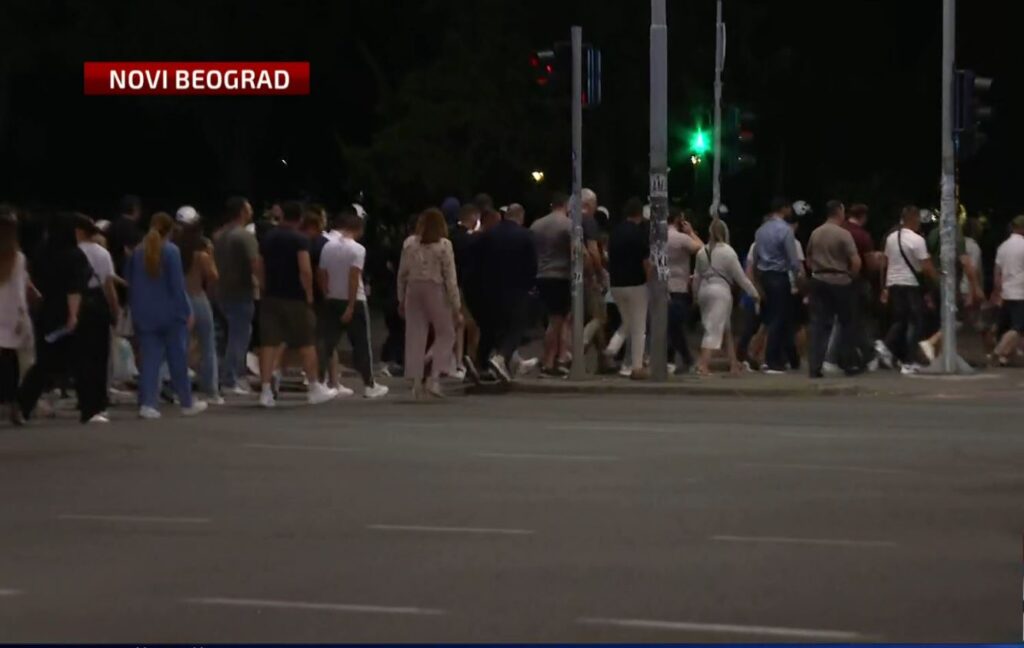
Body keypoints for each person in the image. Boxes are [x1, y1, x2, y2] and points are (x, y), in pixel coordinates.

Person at [123, 212, 207, 419]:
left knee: (149, 360)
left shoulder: (138, 252)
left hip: (144, 314)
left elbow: (129, 281)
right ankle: (186, 402)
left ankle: (148, 403)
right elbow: (177, 286)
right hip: (170, 313)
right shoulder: (171, 251)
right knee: (178, 359)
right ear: (170, 230)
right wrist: (186, 311)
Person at [257, 201, 338, 408]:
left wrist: (264, 287)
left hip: (271, 296)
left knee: (269, 344)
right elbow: (305, 270)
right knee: (306, 343)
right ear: (300, 218)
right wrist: (309, 295)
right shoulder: (300, 239)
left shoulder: (268, 237)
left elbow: (259, 265)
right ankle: (314, 387)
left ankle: (265, 390)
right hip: (295, 297)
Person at [17, 213, 93, 423]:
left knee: (44, 363)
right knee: (82, 361)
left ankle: (23, 403)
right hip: (66, 311)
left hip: (45, 311)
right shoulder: (74, 255)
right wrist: (73, 315)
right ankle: (89, 407)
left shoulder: (41, 252)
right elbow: (74, 288)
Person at [317, 209, 389, 399]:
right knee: (361, 343)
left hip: (332, 298)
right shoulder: (357, 249)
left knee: (327, 343)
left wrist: (326, 293)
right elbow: (354, 277)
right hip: (354, 300)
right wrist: (350, 305)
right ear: (358, 229)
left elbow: (322, 273)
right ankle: (369, 384)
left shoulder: (328, 247)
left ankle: (318, 381)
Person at [398, 207, 461, 398]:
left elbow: (402, 274)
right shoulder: (444, 245)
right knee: (446, 333)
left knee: (415, 335)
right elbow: (450, 278)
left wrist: (401, 298)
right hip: (435, 288)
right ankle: (434, 377)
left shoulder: (409, 243)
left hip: (413, 289)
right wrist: (456, 306)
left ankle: (416, 382)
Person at [473, 206, 538, 382]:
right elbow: (532, 265)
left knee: (493, 327)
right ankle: (501, 358)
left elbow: (478, 262)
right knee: (516, 327)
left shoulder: (488, 235)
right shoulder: (525, 235)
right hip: (516, 288)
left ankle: (482, 365)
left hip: (489, 288)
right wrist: (530, 286)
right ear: (521, 217)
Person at [693, 219, 760, 376]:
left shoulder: (702, 252)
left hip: (704, 290)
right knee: (714, 329)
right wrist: (754, 293)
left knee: (725, 328)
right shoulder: (728, 252)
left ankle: (733, 365)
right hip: (721, 291)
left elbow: (696, 277)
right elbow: (741, 277)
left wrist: (695, 296)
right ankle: (703, 365)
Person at [877, 206, 937, 372]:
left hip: (894, 283)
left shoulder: (891, 238)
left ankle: (885, 346)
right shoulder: (917, 240)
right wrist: (938, 281)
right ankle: (909, 361)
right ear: (914, 219)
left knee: (900, 320)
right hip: (910, 284)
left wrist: (884, 287)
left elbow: (885, 263)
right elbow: (926, 266)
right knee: (916, 322)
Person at [805, 201, 861, 378]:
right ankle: (847, 362)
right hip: (840, 280)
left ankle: (815, 365)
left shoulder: (816, 233)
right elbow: (856, 261)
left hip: (818, 279)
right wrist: (851, 276)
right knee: (846, 323)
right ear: (839, 212)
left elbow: (808, 258)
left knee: (818, 324)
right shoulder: (843, 234)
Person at [74, 214, 121, 422]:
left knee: (81, 355)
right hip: (97, 303)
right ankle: (98, 403)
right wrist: (115, 310)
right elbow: (108, 286)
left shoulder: (73, 252)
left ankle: (83, 400)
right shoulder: (102, 253)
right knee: (100, 356)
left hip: (77, 302)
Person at [214, 196, 261, 395]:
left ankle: (223, 375)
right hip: (241, 291)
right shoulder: (244, 236)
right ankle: (231, 378)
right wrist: (262, 284)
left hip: (221, 291)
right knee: (239, 336)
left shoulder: (219, 235)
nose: (251, 212)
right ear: (242, 212)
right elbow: (255, 263)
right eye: (248, 209)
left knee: (226, 337)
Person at [174, 206, 222, 404]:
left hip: (178, 299)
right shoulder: (201, 253)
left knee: (180, 346)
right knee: (208, 344)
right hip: (198, 297)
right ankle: (211, 391)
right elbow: (213, 276)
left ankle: (179, 389)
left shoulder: (172, 250)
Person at [753, 197, 803, 373]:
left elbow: (756, 256)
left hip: (764, 275)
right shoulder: (785, 230)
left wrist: (757, 280)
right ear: (784, 209)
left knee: (775, 316)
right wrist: (797, 277)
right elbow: (793, 260)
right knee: (778, 318)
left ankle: (787, 357)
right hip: (780, 275)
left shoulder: (761, 230)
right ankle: (772, 359)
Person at [604, 198, 651, 379]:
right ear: (640, 214)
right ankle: (637, 367)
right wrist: (650, 280)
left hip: (616, 284)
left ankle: (611, 348)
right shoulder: (639, 234)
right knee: (639, 326)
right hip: (636, 284)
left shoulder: (615, 232)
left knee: (628, 321)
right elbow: (645, 261)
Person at [530, 193, 572, 377]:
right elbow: (575, 251)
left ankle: (558, 358)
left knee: (555, 319)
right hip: (560, 275)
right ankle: (548, 361)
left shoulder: (536, 225)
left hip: (541, 275)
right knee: (556, 321)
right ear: (566, 204)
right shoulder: (568, 224)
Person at [0, 208, 31, 425]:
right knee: (10, 360)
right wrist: (22, 315)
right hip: (9, 312)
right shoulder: (17, 257)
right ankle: (12, 405)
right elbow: (20, 289)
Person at [666, 206, 703, 373]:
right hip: (679, 286)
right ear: (677, 220)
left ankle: (670, 358)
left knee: (669, 325)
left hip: (662, 286)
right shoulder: (680, 238)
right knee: (676, 326)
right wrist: (690, 232)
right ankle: (686, 358)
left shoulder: (657, 237)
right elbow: (702, 249)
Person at [451, 203, 481, 379]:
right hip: (465, 285)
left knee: (458, 324)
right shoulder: (470, 239)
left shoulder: (451, 235)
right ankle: (468, 360)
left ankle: (458, 361)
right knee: (469, 325)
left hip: (452, 284)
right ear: (473, 218)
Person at [990, 215, 1024, 366]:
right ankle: (999, 350)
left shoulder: (1003, 247)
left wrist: (997, 291)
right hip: (1021, 292)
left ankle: (1005, 357)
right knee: (1018, 327)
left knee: (1008, 325)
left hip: (1006, 292)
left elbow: (997, 272)